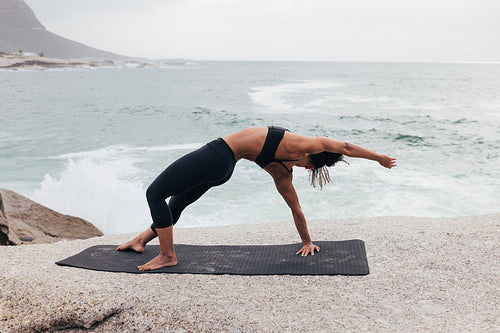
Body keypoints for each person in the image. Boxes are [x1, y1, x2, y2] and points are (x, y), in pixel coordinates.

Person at [117, 126, 397, 271]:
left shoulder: (304, 146)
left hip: (219, 154)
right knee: (176, 204)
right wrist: (307, 242)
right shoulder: (282, 170)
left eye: (309, 168)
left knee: (154, 193)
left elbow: (345, 146)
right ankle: (142, 240)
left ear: (311, 157)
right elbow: (295, 209)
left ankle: (167, 255)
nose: (305, 169)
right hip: (223, 170)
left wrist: (380, 158)